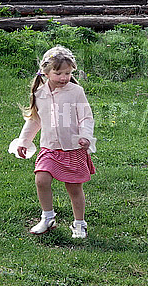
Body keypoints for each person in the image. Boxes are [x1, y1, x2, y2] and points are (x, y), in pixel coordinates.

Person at [11, 45, 97, 239]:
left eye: (67, 73)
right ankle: (47, 217)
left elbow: (86, 117)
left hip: (72, 148)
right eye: (58, 73)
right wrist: (24, 141)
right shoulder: (39, 93)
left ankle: (79, 223)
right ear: (46, 72)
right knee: (41, 179)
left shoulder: (76, 92)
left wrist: (85, 136)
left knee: (74, 187)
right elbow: (35, 119)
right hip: (49, 148)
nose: (64, 78)